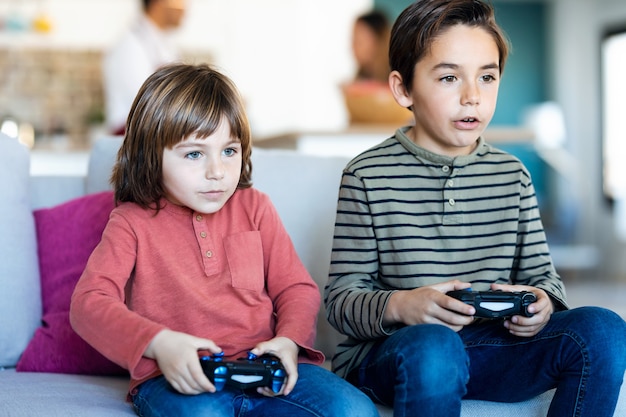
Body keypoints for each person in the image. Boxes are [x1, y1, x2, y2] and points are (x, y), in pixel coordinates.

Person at [324, 1, 626, 416]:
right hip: (400, 357)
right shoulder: (366, 174)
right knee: (435, 346)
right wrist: (403, 305)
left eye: (487, 76)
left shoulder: (512, 174)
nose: (473, 96)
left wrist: (541, 302)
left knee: (606, 331)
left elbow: (544, 279)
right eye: (449, 77)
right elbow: (341, 301)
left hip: (492, 350)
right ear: (403, 89)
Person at [70, 63, 379, 417]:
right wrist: (160, 344)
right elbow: (88, 304)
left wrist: (287, 342)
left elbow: (297, 289)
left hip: (263, 369)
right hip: (177, 377)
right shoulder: (130, 222)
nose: (217, 171)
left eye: (229, 151)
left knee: (354, 409)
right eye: (194, 154)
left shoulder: (256, 207)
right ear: (150, 156)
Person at [102, 0, 186, 135]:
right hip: (133, 138)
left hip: (159, 134)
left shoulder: (165, 43)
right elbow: (145, 101)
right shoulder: (130, 46)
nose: (184, 9)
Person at [351, 10, 391, 84]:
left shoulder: (397, 79)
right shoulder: (361, 77)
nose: (353, 47)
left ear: (379, 40)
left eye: (359, 41)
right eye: (353, 40)